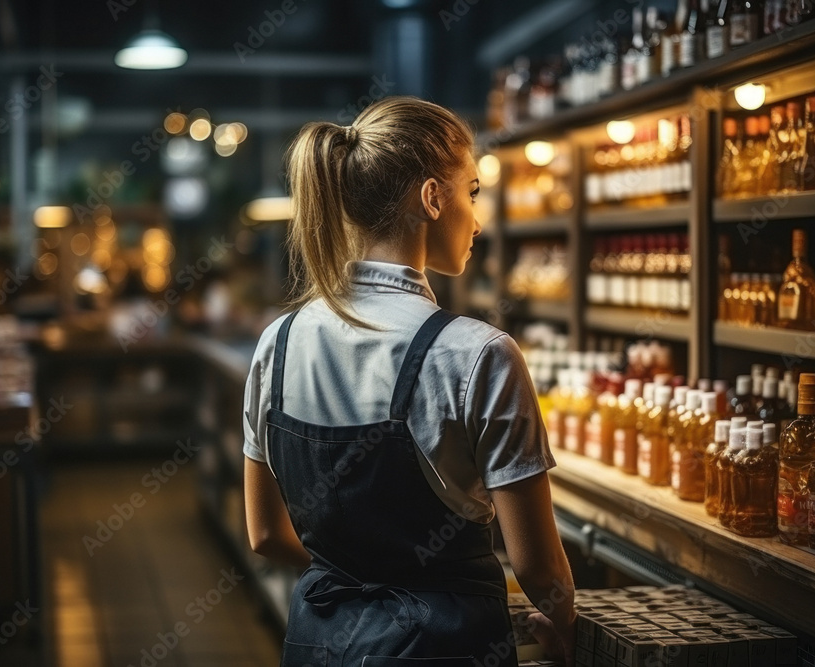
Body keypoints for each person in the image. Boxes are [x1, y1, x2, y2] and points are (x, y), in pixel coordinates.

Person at [243, 96, 577, 666]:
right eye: (472, 193)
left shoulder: (279, 341)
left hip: (320, 643)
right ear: (431, 198)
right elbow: (540, 569)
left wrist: (364, 581)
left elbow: (266, 536)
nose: (479, 218)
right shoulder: (480, 354)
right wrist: (564, 628)